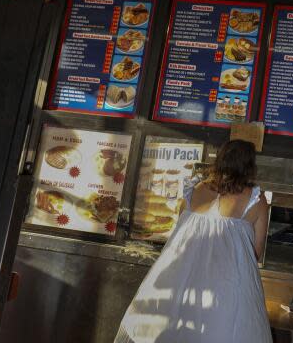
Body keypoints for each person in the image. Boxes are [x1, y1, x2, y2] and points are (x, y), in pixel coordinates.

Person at [115, 140, 272, 343]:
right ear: (250, 165)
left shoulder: (194, 189)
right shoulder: (256, 201)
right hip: (225, 290)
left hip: (179, 282)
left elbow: (180, 233)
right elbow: (255, 253)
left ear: (220, 159)